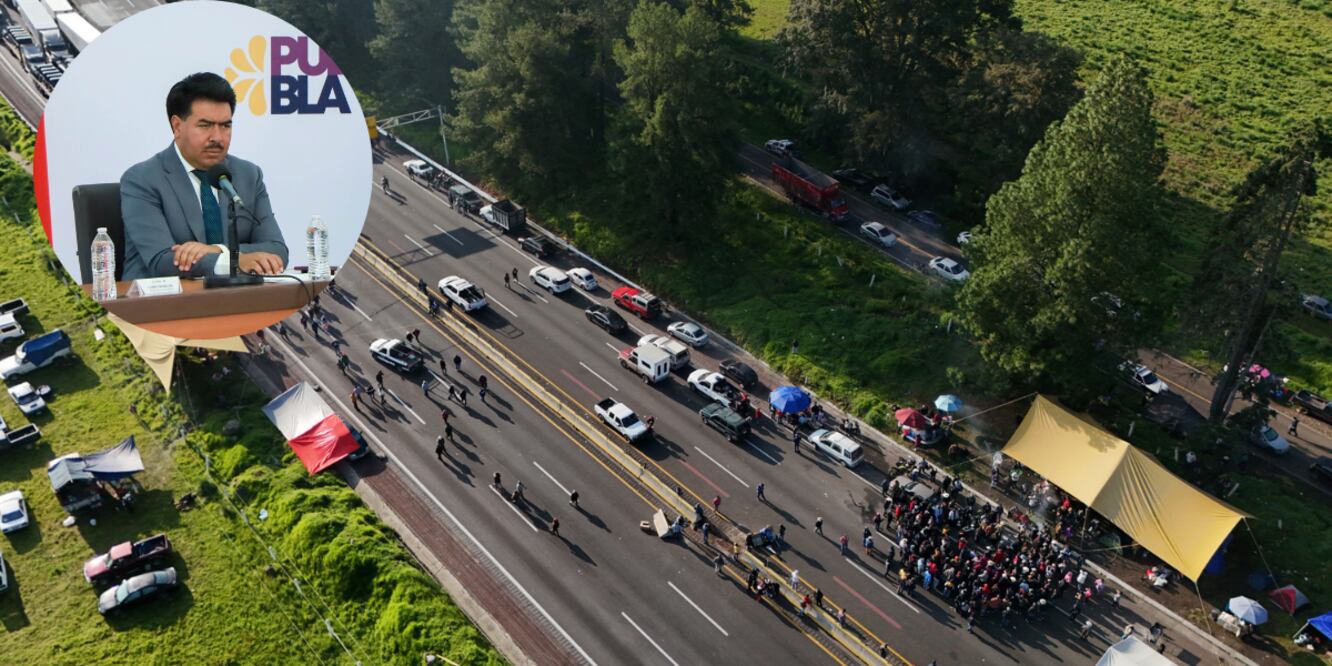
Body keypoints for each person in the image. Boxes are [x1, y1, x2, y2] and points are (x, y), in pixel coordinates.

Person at [120, 72, 288, 281]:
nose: (217, 137)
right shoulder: (142, 179)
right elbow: (161, 260)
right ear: (177, 126)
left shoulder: (248, 174)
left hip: (236, 301)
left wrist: (216, 251)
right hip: (159, 306)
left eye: (226, 125)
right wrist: (235, 260)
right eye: (205, 125)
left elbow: (277, 250)